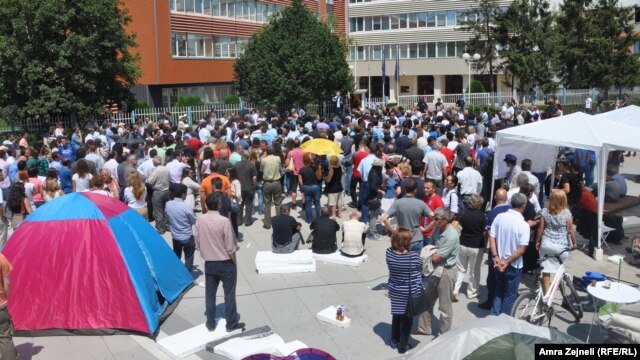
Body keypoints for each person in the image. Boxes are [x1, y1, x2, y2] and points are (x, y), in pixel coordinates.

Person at [195, 193, 245, 333]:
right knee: (229, 294)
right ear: (219, 205)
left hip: (210, 263)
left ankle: (210, 323)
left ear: (205, 205)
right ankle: (231, 323)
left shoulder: (200, 220)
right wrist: (234, 260)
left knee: (210, 294)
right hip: (225, 263)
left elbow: (197, 242)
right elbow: (230, 247)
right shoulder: (224, 221)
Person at [414, 207, 459, 336]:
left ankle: (444, 334)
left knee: (445, 307)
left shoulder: (451, 236)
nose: (434, 221)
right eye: (434, 218)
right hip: (436, 271)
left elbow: (436, 258)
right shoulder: (438, 230)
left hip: (446, 272)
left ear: (446, 220)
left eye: (437, 219)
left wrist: (427, 254)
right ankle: (424, 329)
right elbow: (432, 247)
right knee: (426, 301)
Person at [488, 192, 530, 315]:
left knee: (499, 290)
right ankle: (504, 322)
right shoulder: (523, 225)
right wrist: (506, 262)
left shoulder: (499, 217)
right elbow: (521, 250)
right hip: (512, 264)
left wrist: (496, 257)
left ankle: (494, 317)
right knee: (510, 295)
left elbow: (492, 237)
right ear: (523, 206)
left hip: (499, 261)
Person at [386, 228, 422, 354]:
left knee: (396, 316)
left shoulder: (389, 253)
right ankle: (402, 346)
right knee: (407, 321)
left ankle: (394, 340)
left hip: (395, 291)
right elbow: (419, 267)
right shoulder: (413, 257)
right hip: (408, 294)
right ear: (407, 242)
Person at [536, 190, 576, 293]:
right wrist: (574, 243)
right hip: (561, 246)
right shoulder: (567, 213)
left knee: (546, 270)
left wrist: (537, 241)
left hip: (546, 244)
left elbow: (541, 229)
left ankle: (547, 292)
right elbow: (571, 230)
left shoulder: (545, 211)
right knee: (560, 271)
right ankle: (555, 289)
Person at [478, 188, 510, 310]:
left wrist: (486, 247)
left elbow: (489, 233)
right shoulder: (512, 210)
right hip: (509, 250)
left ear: (495, 199)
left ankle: (491, 302)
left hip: (495, 250)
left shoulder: (492, 213)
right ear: (506, 199)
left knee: (493, 278)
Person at [381, 178, 432, 252]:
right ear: (415, 190)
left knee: (402, 262)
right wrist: (425, 229)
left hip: (402, 238)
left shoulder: (397, 203)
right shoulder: (421, 203)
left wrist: (394, 231)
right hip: (417, 238)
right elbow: (434, 217)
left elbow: (384, 219)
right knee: (415, 262)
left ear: (404, 189)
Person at [452, 194, 486, 302]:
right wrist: (485, 246)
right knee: (474, 271)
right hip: (476, 246)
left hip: (462, 243)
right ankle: (472, 292)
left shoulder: (463, 213)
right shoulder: (482, 216)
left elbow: (455, 225)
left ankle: (454, 290)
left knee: (460, 269)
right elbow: (484, 233)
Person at [166, 184, 197, 272]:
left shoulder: (168, 204)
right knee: (189, 258)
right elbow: (194, 221)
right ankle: (187, 277)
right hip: (187, 236)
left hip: (175, 237)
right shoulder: (186, 207)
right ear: (183, 194)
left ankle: (177, 274)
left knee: (177, 257)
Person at [260, 145, 282, 229]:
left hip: (267, 183)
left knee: (267, 203)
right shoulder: (278, 158)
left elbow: (261, 170)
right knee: (278, 203)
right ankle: (279, 221)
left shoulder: (263, 160)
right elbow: (280, 168)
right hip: (276, 182)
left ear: (267, 151)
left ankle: (267, 223)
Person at [0, 253, 17, 360]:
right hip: (0, 305)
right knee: (4, 337)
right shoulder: (1, 258)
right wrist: (5, 298)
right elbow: (7, 283)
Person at [234, 151, 257, 227]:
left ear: (241, 157)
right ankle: (248, 221)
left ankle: (239, 221)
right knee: (249, 204)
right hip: (249, 188)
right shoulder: (251, 165)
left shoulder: (236, 165)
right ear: (248, 157)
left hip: (240, 188)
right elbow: (254, 178)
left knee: (240, 204)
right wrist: (254, 185)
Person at [148, 157, 171, 233]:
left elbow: (150, 182)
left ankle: (160, 228)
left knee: (158, 211)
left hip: (158, 192)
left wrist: (148, 176)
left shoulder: (156, 170)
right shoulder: (166, 168)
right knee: (166, 210)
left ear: (154, 163)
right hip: (167, 191)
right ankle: (168, 226)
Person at [299, 153, 323, 223]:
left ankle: (309, 219)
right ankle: (319, 218)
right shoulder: (314, 168)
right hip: (315, 186)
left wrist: (302, 187)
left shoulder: (301, 170)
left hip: (306, 187)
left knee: (308, 204)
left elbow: (300, 180)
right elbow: (319, 177)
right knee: (317, 203)